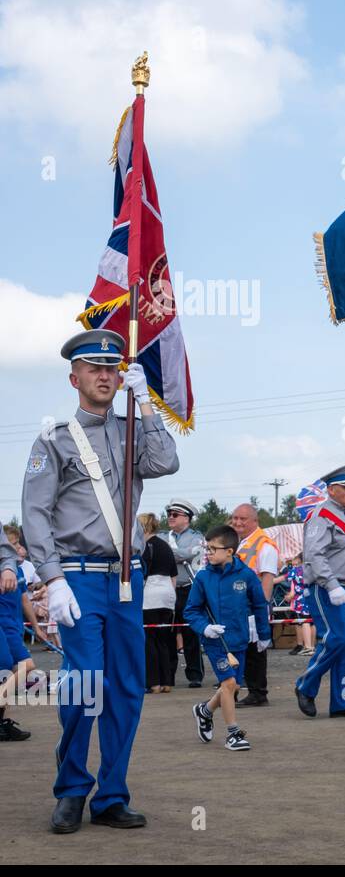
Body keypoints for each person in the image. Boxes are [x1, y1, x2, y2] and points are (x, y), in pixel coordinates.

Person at [21, 328, 180, 833]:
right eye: (95, 368)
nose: (105, 375)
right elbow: (35, 515)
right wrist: (53, 578)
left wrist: (148, 406)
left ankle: (111, 794)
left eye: (112, 368)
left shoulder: (132, 430)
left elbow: (165, 462)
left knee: (127, 689)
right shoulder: (54, 439)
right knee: (85, 686)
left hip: (126, 581)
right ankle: (71, 788)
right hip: (80, 579)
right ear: (76, 378)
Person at [294, 466, 345, 719]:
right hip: (330, 588)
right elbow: (314, 554)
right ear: (331, 490)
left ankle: (343, 701)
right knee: (335, 639)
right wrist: (332, 584)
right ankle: (305, 685)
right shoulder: (322, 515)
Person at [185, 525, 270, 752]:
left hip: (239, 640)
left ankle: (205, 710)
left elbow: (260, 605)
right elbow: (191, 611)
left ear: (230, 551)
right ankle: (233, 733)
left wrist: (264, 635)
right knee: (229, 683)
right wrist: (205, 628)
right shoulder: (203, 577)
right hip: (215, 642)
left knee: (232, 687)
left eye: (214, 548)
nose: (209, 552)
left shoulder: (246, 575)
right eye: (207, 548)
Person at [230, 503, 278, 707]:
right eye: (235, 518)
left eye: (243, 519)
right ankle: (248, 689)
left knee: (255, 649)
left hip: (254, 605)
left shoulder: (264, 544)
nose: (238, 522)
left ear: (255, 521)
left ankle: (258, 692)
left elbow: (267, 578)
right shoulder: (241, 542)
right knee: (245, 647)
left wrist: (263, 607)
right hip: (241, 605)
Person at [163, 499, 205, 688]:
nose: (170, 518)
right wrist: (177, 554)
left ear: (186, 518)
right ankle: (168, 676)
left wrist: (172, 554)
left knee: (191, 634)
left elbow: (188, 555)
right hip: (168, 590)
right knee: (168, 634)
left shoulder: (197, 537)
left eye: (175, 515)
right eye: (169, 514)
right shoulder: (164, 536)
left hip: (188, 589)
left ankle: (195, 675)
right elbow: (177, 555)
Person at [139, 513, 178, 694]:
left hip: (150, 596)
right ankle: (167, 681)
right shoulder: (166, 546)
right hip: (168, 595)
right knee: (164, 641)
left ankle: (153, 682)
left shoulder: (145, 547)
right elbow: (174, 574)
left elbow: (142, 575)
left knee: (149, 640)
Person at [0, 537, 32, 741]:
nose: (19, 549)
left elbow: (23, 599)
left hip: (12, 625)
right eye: (15, 545)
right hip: (4, 622)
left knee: (14, 670)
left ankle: (1, 723)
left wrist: (36, 627)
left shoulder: (15, 570)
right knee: (13, 667)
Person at [282, 556, 315, 657]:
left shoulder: (295, 571)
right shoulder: (312, 569)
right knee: (312, 623)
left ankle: (305, 646)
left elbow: (290, 588)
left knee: (301, 622)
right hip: (311, 598)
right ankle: (311, 646)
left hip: (299, 601)